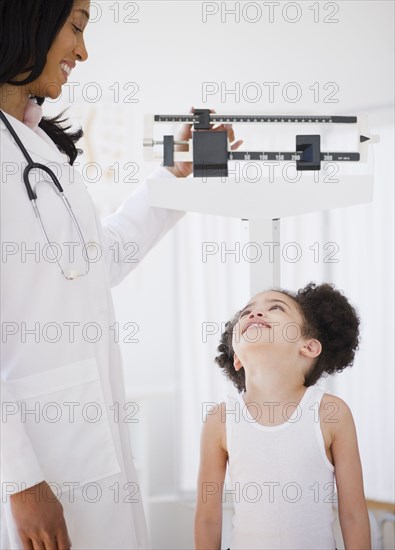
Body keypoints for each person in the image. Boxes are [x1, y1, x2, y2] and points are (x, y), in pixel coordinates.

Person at [0, 1, 242, 549]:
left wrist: (174, 178)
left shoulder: (37, 147)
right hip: (33, 462)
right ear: (27, 19)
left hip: (83, 441)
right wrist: (18, 479)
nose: (83, 52)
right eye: (78, 27)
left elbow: (92, 263)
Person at [195, 283, 371, 550]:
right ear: (237, 359)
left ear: (309, 347)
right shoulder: (220, 420)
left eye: (275, 307)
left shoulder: (331, 413)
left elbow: (353, 515)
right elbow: (208, 520)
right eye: (246, 313)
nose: (254, 315)